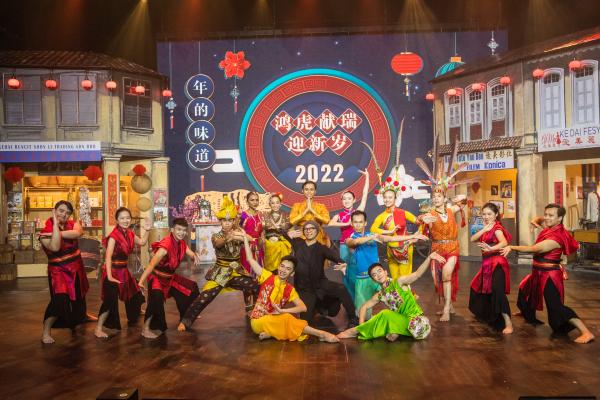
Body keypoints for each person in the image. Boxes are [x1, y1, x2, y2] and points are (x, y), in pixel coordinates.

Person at [501, 204, 594, 344]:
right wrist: (535, 221)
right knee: (525, 289)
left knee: (556, 309)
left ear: (560, 218)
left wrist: (511, 246)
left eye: (551, 215)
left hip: (549, 275)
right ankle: (526, 312)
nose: (546, 218)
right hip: (538, 271)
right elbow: (539, 219)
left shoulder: (556, 237)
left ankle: (586, 332)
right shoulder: (551, 227)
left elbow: (534, 249)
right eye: (546, 214)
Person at [178, 197, 259, 331]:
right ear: (220, 222)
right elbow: (218, 243)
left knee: (255, 286)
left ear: (233, 221)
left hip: (236, 271)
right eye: (224, 221)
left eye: (230, 220)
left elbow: (250, 239)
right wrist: (228, 237)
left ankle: (255, 311)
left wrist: (238, 234)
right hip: (220, 272)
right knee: (204, 297)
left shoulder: (237, 233)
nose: (227, 223)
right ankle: (185, 321)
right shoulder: (216, 236)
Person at [242, 236, 339, 343]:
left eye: (288, 269)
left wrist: (282, 310)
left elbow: (303, 308)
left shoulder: (290, 289)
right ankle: (322, 334)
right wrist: (245, 238)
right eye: (282, 266)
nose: (283, 270)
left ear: (292, 273)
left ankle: (271, 333)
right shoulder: (267, 276)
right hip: (258, 320)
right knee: (287, 319)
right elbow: (250, 259)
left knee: (286, 318)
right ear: (278, 267)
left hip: (273, 319)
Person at [337, 251, 446, 342]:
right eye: (374, 275)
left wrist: (429, 258)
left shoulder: (399, 282)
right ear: (373, 280)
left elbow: (417, 274)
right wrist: (361, 324)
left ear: (386, 272)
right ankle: (382, 330)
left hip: (418, 324)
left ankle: (355, 331)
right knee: (384, 323)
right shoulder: (380, 294)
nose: (378, 275)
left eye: (379, 271)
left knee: (385, 314)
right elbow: (364, 307)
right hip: (406, 326)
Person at [345, 210, 428, 318]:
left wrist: (412, 237)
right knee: (363, 313)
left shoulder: (372, 235)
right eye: (355, 222)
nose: (358, 225)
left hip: (379, 277)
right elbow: (356, 242)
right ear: (352, 223)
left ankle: (409, 317)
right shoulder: (350, 239)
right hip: (363, 279)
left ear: (365, 223)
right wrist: (373, 237)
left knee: (398, 298)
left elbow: (391, 238)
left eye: (360, 222)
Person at [283, 220, 357, 327]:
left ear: (317, 231)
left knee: (341, 289)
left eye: (311, 228)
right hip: (304, 289)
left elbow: (337, 259)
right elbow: (280, 232)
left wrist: (344, 264)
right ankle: (317, 308)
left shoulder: (322, 248)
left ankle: (353, 318)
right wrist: (287, 233)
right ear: (303, 231)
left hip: (320, 284)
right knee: (305, 322)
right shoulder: (297, 243)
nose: (308, 231)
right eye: (306, 229)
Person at [137, 218, 201, 339]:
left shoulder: (181, 243)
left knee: (190, 288)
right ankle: (145, 329)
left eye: (184, 230)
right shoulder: (165, 245)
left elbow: (189, 251)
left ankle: (188, 315)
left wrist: (194, 255)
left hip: (169, 277)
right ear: (172, 230)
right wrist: (141, 281)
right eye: (178, 229)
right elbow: (151, 265)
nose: (181, 233)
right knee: (156, 299)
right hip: (157, 277)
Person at [94, 207, 150, 338]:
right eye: (122, 218)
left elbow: (142, 242)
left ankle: (135, 312)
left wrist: (147, 230)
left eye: (128, 218)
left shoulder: (130, 233)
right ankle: (98, 328)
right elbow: (108, 257)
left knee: (134, 292)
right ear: (117, 220)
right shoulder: (114, 236)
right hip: (112, 270)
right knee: (109, 300)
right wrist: (109, 276)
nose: (125, 220)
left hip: (124, 270)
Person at [39, 201, 90, 344]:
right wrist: (55, 226)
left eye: (67, 213)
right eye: (61, 211)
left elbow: (78, 232)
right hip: (58, 271)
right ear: (54, 211)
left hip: (76, 268)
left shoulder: (73, 224)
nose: (64, 214)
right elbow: (55, 247)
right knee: (59, 300)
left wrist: (54, 233)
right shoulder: (44, 233)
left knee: (79, 298)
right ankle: (46, 331)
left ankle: (80, 318)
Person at [468, 202, 513, 334]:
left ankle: (508, 323)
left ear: (496, 215)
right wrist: (483, 230)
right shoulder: (485, 227)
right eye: (484, 214)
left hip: (497, 262)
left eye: (489, 214)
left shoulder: (497, 228)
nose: (486, 217)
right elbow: (472, 239)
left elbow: (504, 242)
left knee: (498, 291)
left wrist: (491, 248)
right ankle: (490, 316)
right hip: (487, 264)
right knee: (476, 287)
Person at [422, 189, 466, 322]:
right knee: (438, 279)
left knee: (446, 275)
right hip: (437, 250)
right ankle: (450, 305)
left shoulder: (451, 210)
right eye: (434, 196)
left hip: (452, 247)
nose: (436, 199)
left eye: (439, 196)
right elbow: (420, 219)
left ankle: (446, 309)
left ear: (444, 198)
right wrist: (423, 219)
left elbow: (464, 201)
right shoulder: (431, 214)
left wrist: (454, 198)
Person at [327, 169, 369, 299]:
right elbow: (330, 223)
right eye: (344, 199)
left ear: (354, 200)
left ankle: (360, 297)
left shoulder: (357, 212)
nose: (346, 200)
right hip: (344, 246)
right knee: (345, 272)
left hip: (357, 245)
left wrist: (367, 177)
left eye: (349, 198)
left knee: (358, 270)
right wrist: (346, 223)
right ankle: (350, 300)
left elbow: (365, 195)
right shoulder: (339, 215)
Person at [370, 186, 427, 280]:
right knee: (395, 279)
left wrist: (416, 237)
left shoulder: (403, 213)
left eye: (390, 197)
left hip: (405, 249)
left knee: (404, 279)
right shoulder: (381, 216)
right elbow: (373, 229)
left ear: (395, 199)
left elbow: (420, 222)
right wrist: (389, 231)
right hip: (391, 250)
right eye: (385, 197)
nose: (387, 200)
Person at [289, 181, 331, 246]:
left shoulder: (321, 206)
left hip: (317, 234)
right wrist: (305, 211)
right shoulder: (297, 206)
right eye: (306, 189)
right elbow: (292, 221)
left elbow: (327, 220)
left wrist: (312, 211)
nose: (309, 192)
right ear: (302, 191)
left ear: (315, 191)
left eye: (311, 189)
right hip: (302, 234)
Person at [262, 193, 291, 272]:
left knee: (282, 269)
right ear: (269, 204)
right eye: (272, 203)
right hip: (269, 246)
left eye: (277, 202)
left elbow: (288, 230)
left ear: (280, 204)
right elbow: (262, 231)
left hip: (281, 246)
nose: (275, 205)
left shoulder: (286, 215)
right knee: (269, 272)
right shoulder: (264, 215)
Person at [239, 191, 264, 276]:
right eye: (252, 200)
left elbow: (262, 229)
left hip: (259, 246)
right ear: (247, 202)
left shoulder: (260, 214)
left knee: (259, 270)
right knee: (247, 270)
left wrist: (262, 239)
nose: (255, 202)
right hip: (247, 246)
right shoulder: (243, 215)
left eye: (257, 200)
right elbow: (239, 230)